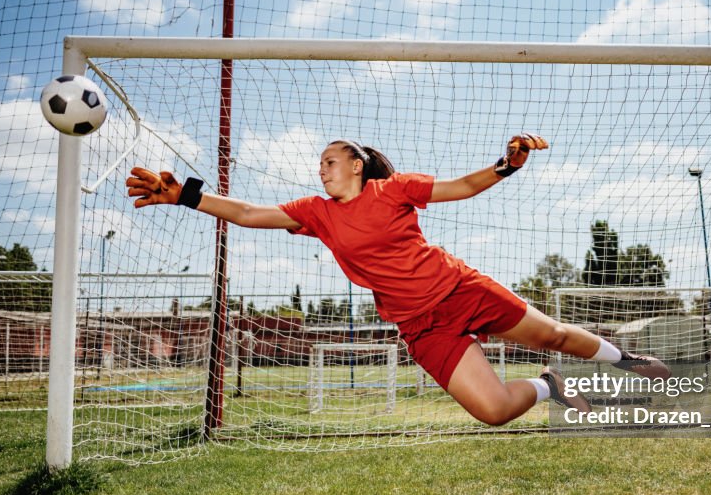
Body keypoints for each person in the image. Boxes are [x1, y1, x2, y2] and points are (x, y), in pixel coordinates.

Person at [126, 134, 671, 426]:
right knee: (495, 412)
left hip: (460, 289)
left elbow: (461, 187)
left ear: (358, 165)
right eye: (319, 163)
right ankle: (549, 386)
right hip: (420, 324)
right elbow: (246, 213)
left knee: (551, 333)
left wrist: (506, 165)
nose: (322, 168)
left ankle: (626, 361)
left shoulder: (394, 190)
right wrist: (184, 196)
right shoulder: (315, 212)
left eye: (331, 160)